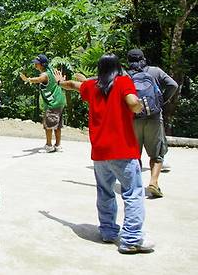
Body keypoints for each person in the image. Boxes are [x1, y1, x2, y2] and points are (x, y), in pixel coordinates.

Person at [54, 54, 154, 254]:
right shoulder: (123, 81)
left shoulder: (94, 86)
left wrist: (60, 82)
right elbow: (133, 101)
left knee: (105, 192)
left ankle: (108, 232)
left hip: (100, 152)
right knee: (133, 193)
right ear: (118, 68)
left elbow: (74, 85)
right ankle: (131, 239)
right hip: (123, 150)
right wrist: (139, 106)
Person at [127, 49, 179, 198]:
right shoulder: (155, 71)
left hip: (134, 118)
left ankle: (134, 185)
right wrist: (162, 100)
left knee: (134, 153)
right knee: (157, 154)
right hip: (154, 117)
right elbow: (173, 85)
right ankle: (154, 182)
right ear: (143, 58)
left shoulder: (125, 74)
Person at [20, 54, 66, 153]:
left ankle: (49, 145)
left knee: (48, 125)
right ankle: (58, 145)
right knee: (57, 125)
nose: (35, 66)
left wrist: (28, 79)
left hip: (52, 103)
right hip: (59, 100)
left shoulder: (45, 74)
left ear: (42, 65)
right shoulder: (51, 71)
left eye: (37, 64)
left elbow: (39, 79)